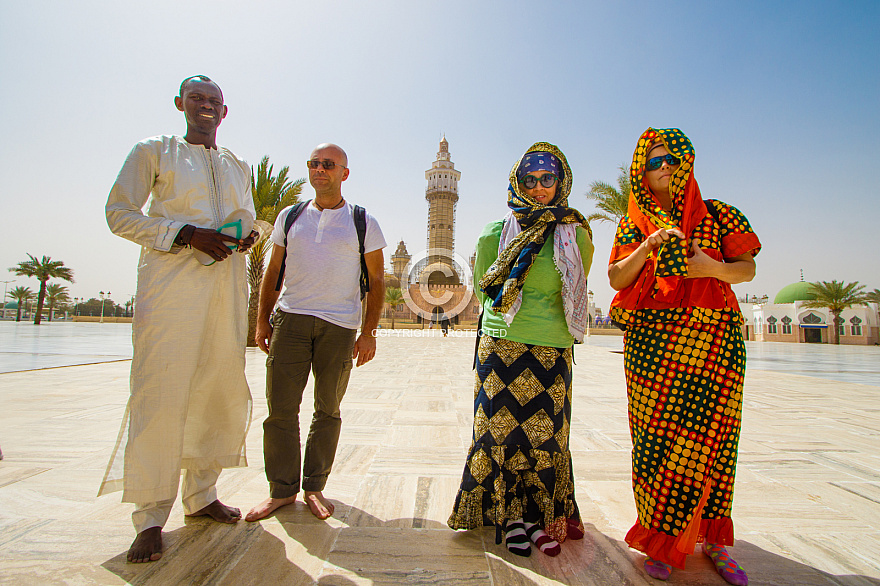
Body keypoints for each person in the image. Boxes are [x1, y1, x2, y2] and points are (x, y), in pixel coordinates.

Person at [100, 75, 258, 563]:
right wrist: (185, 233)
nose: (206, 106)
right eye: (197, 99)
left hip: (226, 285)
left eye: (214, 101)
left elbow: (244, 215)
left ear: (225, 111)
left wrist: (246, 237)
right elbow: (119, 214)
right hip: (171, 286)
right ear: (180, 104)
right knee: (162, 389)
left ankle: (202, 495)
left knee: (216, 384)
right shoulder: (155, 151)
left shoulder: (237, 164)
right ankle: (150, 516)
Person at [608, 128, 760, 584]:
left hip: (714, 345)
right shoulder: (634, 224)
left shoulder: (719, 215)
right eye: (655, 161)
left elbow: (747, 268)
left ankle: (712, 538)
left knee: (716, 442)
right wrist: (649, 245)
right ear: (642, 172)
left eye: (673, 159)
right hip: (654, 351)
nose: (665, 168)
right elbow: (616, 277)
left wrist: (710, 268)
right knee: (656, 443)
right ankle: (660, 538)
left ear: (687, 162)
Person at [448, 142, 594, 557]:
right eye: (529, 179)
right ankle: (508, 517)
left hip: (552, 347)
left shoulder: (576, 235)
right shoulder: (495, 234)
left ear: (561, 181)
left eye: (548, 179)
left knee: (546, 436)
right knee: (499, 433)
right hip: (501, 346)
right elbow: (484, 288)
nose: (538, 188)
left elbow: (575, 290)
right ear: (517, 182)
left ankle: (537, 516)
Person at [245, 143, 386, 522]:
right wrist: (262, 321)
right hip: (290, 320)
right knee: (280, 410)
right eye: (314, 164)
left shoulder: (363, 222)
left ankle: (314, 486)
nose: (319, 170)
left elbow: (376, 281)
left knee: (327, 409)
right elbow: (273, 272)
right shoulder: (290, 217)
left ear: (344, 173)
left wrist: (368, 332)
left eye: (328, 164)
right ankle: (281, 490)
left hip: (339, 326)